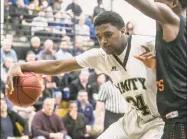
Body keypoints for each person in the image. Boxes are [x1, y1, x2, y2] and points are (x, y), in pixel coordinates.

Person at [7, 11, 164, 139]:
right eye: (99, 37)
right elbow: (58, 65)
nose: (103, 41)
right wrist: (20, 65)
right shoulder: (100, 56)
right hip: (132, 119)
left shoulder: (149, 45)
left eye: (108, 34)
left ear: (123, 31)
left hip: (160, 121)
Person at [118, 0, 186, 139]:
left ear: (174, 3)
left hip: (180, 120)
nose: (152, 4)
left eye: (156, 0)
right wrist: (158, 65)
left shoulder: (171, 20)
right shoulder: (178, 31)